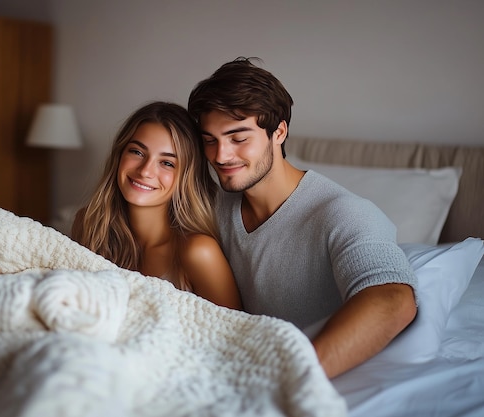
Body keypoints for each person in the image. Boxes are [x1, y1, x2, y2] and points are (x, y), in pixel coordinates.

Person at [187, 57, 418, 378]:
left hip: (306, 379)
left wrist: (287, 380)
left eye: (238, 138)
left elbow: (392, 299)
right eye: (210, 140)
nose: (220, 156)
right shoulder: (214, 205)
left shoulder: (344, 212)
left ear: (279, 132)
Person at [71, 101, 241, 310]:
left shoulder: (198, 252)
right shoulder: (88, 225)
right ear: (119, 155)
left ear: (186, 178)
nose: (145, 171)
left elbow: (234, 333)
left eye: (167, 163)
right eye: (137, 152)